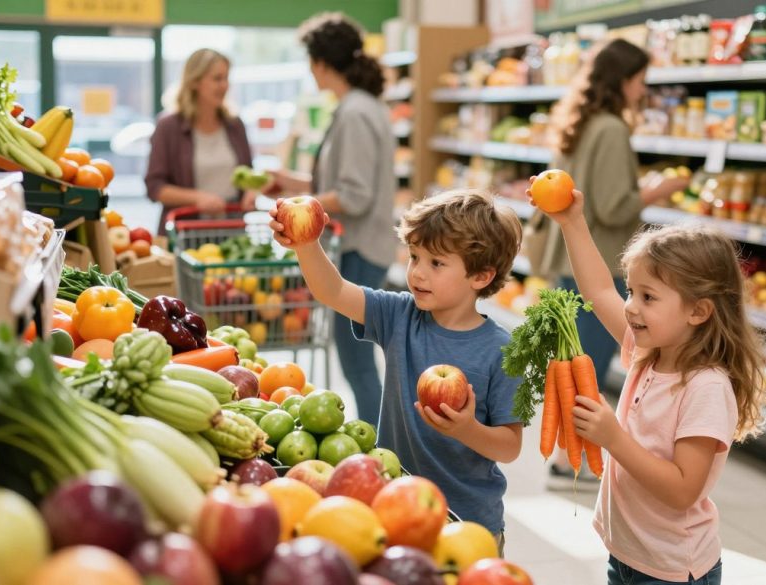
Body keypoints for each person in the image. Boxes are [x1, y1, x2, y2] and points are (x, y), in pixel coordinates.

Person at [530, 184, 766, 584]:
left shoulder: (705, 387)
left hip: (672, 570)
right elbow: (598, 290)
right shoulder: (648, 352)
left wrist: (613, 438)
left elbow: (682, 490)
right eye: (631, 291)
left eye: (648, 297)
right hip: (627, 554)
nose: (630, 306)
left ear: (698, 311)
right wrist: (571, 222)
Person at [268, 190, 523, 547]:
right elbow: (334, 291)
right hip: (394, 500)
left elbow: (509, 446)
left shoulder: (502, 350)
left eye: (436, 263)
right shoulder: (400, 315)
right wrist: (306, 244)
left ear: (480, 276)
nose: (417, 272)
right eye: (414, 256)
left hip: (467, 519)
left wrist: (466, 429)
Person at [264, 13, 396, 427]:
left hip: (359, 249)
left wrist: (299, 202)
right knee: (358, 359)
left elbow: (353, 197)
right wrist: (293, 183)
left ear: (322, 62)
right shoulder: (359, 106)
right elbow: (342, 183)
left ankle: (380, 447)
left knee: (357, 362)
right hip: (363, 245)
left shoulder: (355, 112)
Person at [542, 38, 690, 386]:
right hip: (601, 263)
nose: (642, 91)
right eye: (640, 80)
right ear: (622, 80)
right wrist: (660, 191)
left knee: (573, 368)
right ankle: (579, 440)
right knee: (586, 373)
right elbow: (613, 208)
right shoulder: (610, 128)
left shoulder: (581, 120)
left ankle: (571, 440)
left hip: (572, 259)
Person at [145, 48, 255, 234]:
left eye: (226, 78)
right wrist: (197, 198)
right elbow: (155, 187)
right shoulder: (169, 126)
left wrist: (251, 193)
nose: (224, 85)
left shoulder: (235, 125)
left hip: (231, 232)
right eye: (217, 78)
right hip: (186, 234)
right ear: (195, 81)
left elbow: (247, 176)